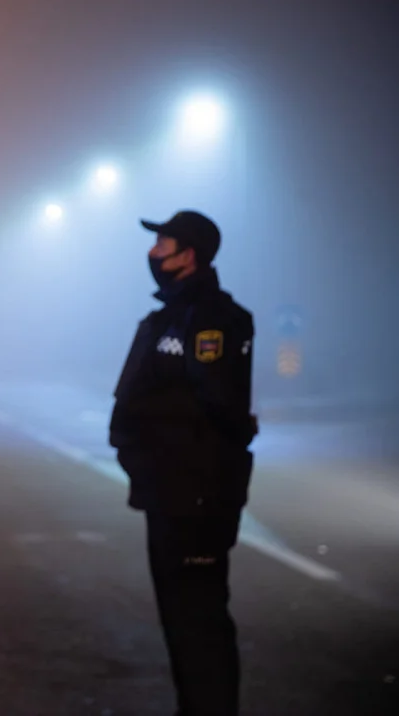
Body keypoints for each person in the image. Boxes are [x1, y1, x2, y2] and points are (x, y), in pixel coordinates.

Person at [109, 210, 258, 716]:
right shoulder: (163, 319)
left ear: (187, 253)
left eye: (163, 242)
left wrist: (177, 459)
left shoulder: (218, 319)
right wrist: (138, 454)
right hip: (165, 494)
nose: (153, 252)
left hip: (198, 499)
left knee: (200, 623)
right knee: (180, 621)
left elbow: (221, 409)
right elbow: (136, 400)